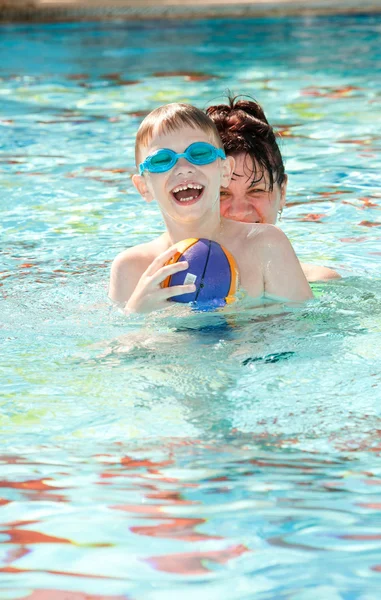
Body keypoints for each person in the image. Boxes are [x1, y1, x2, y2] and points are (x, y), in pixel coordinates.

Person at [109, 103, 313, 313]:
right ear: (144, 187)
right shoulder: (131, 269)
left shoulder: (265, 246)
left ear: (225, 171)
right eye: (162, 160)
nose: (184, 169)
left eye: (199, 154)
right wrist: (136, 313)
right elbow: (120, 343)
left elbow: (303, 331)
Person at [206, 97, 340, 282]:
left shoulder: (317, 282)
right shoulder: (162, 282)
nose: (239, 212)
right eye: (222, 194)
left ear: (282, 192)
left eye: (256, 191)